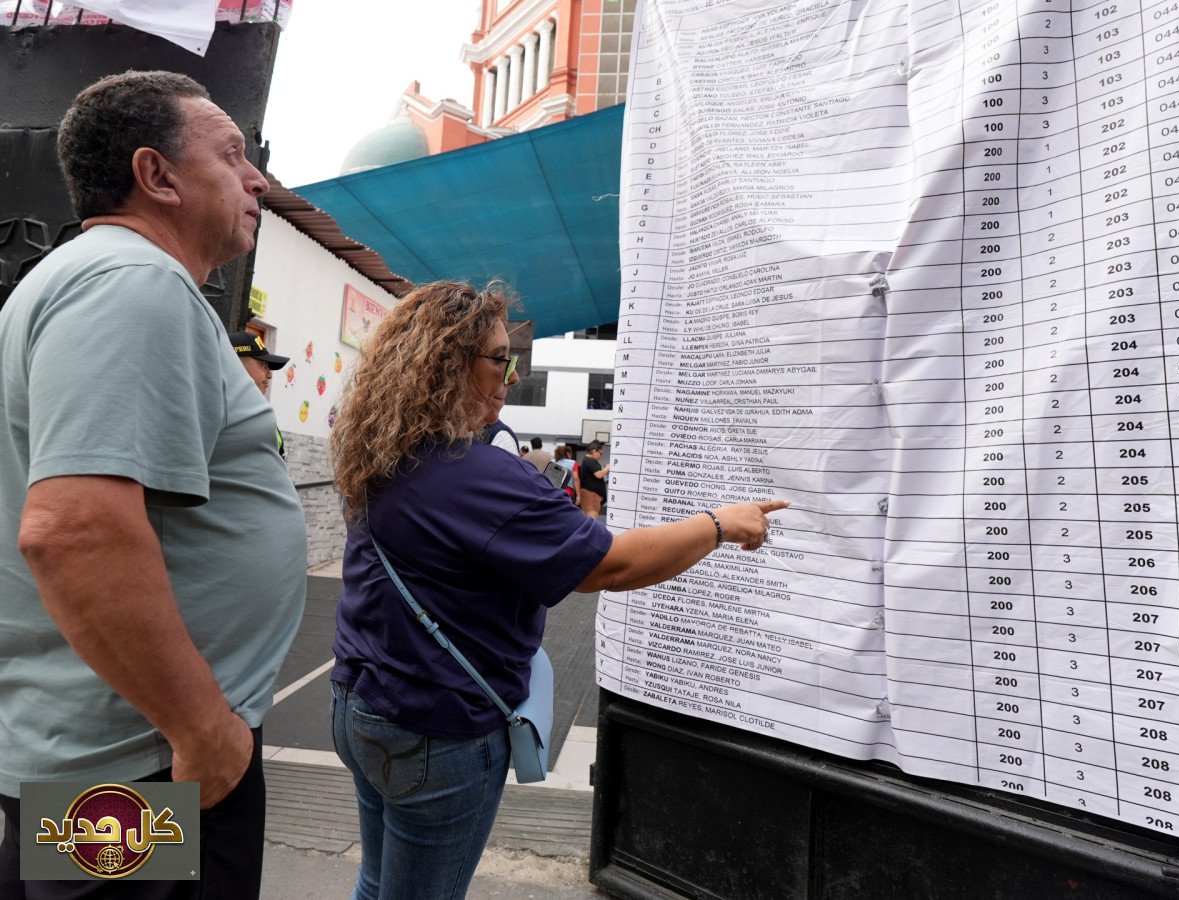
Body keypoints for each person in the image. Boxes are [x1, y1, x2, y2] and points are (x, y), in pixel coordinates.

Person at [328, 280, 786, 900]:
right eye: (500, 359)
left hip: (362, 703)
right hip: (434, 729)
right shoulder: (479, 474)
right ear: (447, 363)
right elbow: (610, 567)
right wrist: (717, 525)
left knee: (379, 880)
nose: (511, 376)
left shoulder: (387, 453)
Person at [0, 71, 308, 899]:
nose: (258, 181)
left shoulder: (104, 280)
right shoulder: (132, 283)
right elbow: (72, 531)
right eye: (232, 156)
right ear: (157, 176)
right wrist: (205, 732)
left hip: (122, 761)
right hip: (140, 770)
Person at [230, 329, 289, 455]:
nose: (269, 375)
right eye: (263, 365)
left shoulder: (258, 412)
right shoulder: (216, 412)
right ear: (236, 364)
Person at [578, 440, 610, 519]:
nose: (601, 456)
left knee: (591, 519)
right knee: (592, 520)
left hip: (591, 496)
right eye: (600, 453)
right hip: (591, 496)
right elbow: (599, 475)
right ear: (594, 451)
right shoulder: (591, 461)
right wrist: (608, 468)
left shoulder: (588, 461)